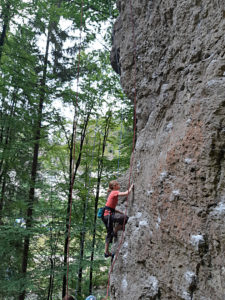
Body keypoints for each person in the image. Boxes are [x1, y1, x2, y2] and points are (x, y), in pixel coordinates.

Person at [103, 180, 133, 258]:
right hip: (108, 216)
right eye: (117, 184)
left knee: (109, 232)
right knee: (125, 218)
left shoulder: (112, 193)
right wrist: (131, 187)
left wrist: (120, 212)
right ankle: (115, 231)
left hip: (107, 215)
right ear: (114, 187)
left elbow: (111, 207)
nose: (119, 185)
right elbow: (126, 193)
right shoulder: (114, 192)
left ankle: (106, 252)